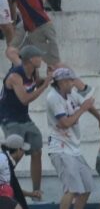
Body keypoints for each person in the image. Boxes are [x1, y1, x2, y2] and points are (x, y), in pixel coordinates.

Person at [45, 68, 100, 209]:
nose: (73, 83)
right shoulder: (53, 97)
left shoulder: (71, 94)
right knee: (71, 190)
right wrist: (82, 108)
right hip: (60, 149)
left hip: (74, 149)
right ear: (61, 82)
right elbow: (65, 123)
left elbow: (87, 105)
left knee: (86, 187)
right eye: (70, 80)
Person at [0, 46, 51, 198]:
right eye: (39, 57)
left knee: (37, 149)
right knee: (16, 152)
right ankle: (4, 182)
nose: (41, 59)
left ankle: (36, 190)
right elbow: (25, 99)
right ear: (30, 59)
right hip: (9, 118)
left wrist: (47, 77)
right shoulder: (15, 76)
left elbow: (35, 83)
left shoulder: (32, 71)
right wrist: (45, 85)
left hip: (23, 117)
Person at [1, 134, 41, 207]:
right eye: (23, 151)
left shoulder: (9, 164)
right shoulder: (3, 159)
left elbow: (15, 190)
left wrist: (31, 194)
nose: (23, 154)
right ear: (19, 150)